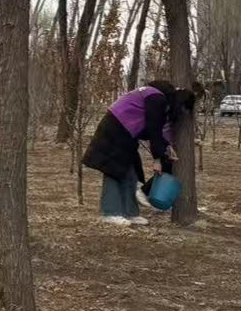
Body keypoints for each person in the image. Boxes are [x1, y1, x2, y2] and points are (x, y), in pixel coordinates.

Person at [81, 81, 199, 226]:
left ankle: (130, 213)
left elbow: (154, 130)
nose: (179, 113)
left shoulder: (156, 97)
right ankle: (110, 212)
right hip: (115, 128)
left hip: (127, 133)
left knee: (131, 173)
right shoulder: (157, 99)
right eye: (181, 109)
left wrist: (166, 146)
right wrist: (157, 160)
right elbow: (153, 130)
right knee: (113, 170)